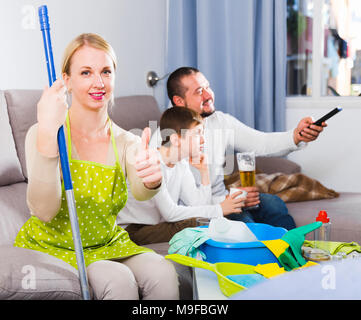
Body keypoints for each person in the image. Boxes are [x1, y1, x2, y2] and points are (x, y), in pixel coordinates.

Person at [14, 33, 179, 300]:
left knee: (163, 271)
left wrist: (152, 179)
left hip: (106, 243)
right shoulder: (42, 133)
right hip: (56, 245)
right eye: (86, 72)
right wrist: (47, 137)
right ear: (66, 80)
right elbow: (43, 210)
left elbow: (141, 191)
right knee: (118, 280)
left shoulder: (127, 141)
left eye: (106, 71)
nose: (99, 82)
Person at [159, 66, 327, 230]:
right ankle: (265, 252)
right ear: (179, 101)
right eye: (199, 91)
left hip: (222, 198)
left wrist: (297, 136)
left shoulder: (220, 121)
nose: (209, 95)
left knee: (274, 204)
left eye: (208, 87)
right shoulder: (168, 139)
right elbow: (177, 202)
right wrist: (228, 201)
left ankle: (292, 251)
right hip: (201, 209)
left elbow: (261, 143)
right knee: (245, 222)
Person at [117, 107, 246, 245]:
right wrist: (219, 209)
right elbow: (170, 213)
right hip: (133, 230)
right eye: (197, 134)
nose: (203, 140)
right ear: (176, 140)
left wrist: (204, 173)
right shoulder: (154, 164)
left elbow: (199, 204)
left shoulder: (181, 164)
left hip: (156, 226)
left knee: (205, 220)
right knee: (197, 223)